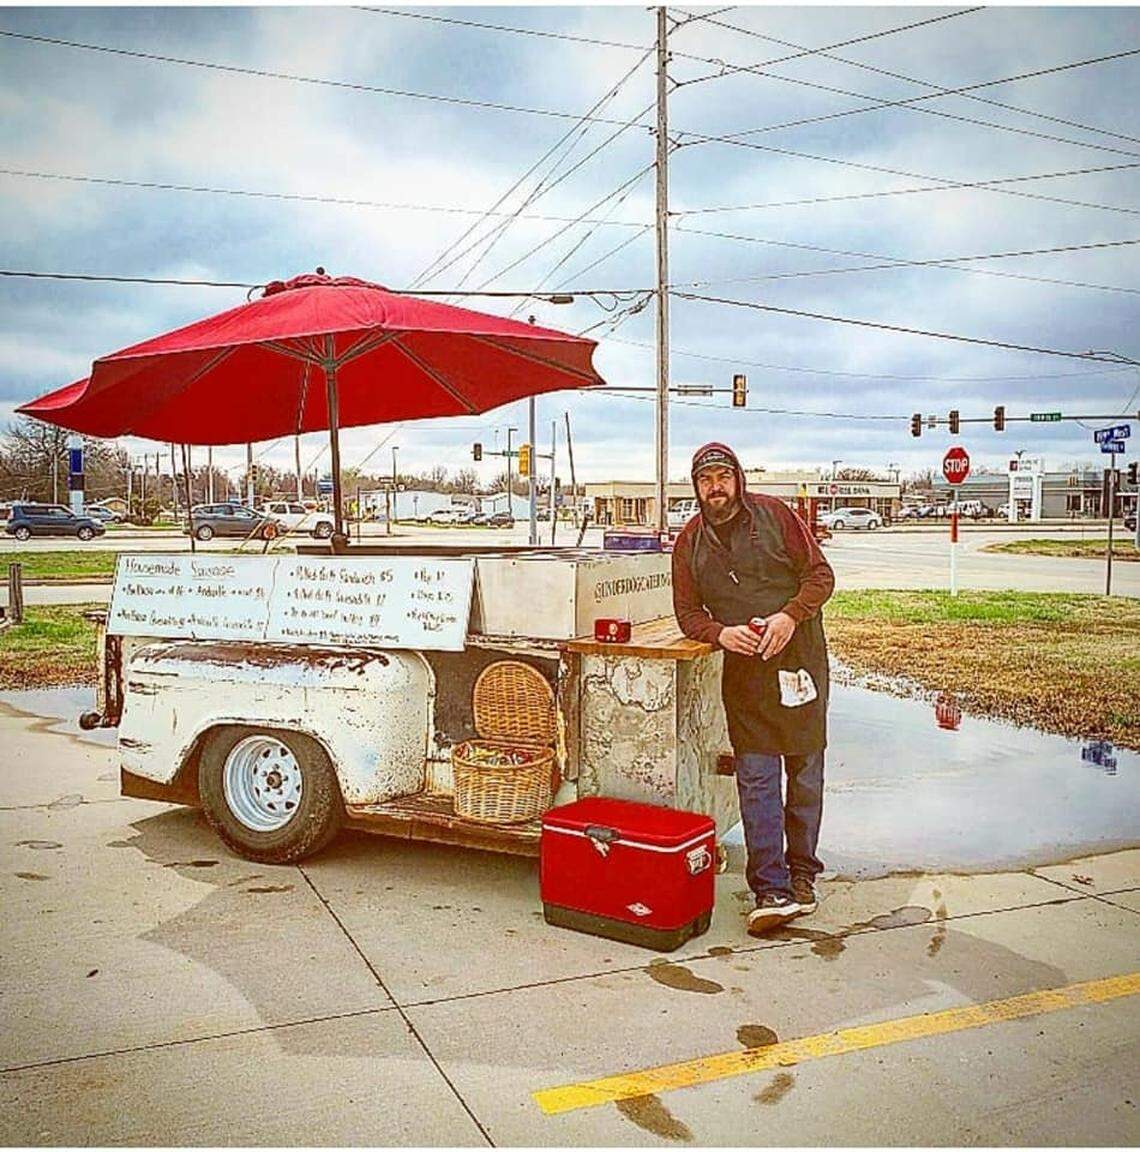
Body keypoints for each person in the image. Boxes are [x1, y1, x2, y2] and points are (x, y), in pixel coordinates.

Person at [671, 443, 835, 935]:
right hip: (745, 674)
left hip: (799, 660)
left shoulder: (776, 516)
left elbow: (821, 577)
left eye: (723, 476)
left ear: (738, 479)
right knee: (757, 777)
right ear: (697, 487)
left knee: (804, 772)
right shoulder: (689, 544)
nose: (715, 486)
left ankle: (802, 872)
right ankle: (771, 887)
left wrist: (789, 615)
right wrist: (721, 634)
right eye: (706, 480)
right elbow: (688, 614)